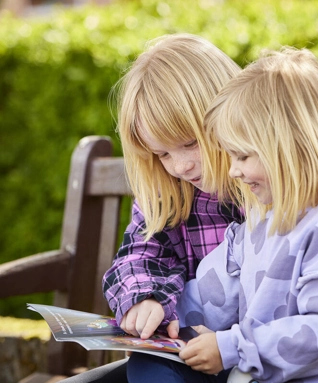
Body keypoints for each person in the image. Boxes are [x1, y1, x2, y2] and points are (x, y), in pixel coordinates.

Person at [126, 47, 318, 383]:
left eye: (242, 156)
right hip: (266, 375)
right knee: (148, 366)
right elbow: (211, 293)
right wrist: (159, 317)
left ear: (288, 149)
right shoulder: (257, 226)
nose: (234, 171)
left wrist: (233, 348)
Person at [59, 33, 243, 383]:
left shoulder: (262, 186)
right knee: (144, 369)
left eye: (190, 143)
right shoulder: (169, 190)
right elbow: (141, 253)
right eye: (163, 153)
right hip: (191, 355)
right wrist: (148, 299)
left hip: (255, 357)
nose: (180, 166)